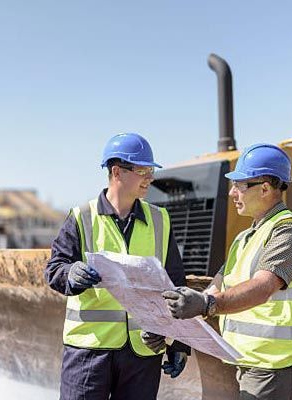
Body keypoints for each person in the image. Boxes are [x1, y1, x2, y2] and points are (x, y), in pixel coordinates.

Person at [162, 143, 292, 400]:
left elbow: (262, 287)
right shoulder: (245, 238)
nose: (233, 193)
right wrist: (179, 335)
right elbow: (214, 289)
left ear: (265, 188)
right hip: (250, 362)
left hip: (278, 366)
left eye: (239, 185)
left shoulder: (290, 232)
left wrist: (206, 304)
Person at [45, 132, 190, 400]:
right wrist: (71, 273)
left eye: (151, 170)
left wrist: (179, 340)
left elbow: (175, 283)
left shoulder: (160, 220)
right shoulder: (82, 217)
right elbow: (54, 269)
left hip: (143, 351)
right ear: (117, 172)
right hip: (89, 351)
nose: (151, 177)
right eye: (143, 170)